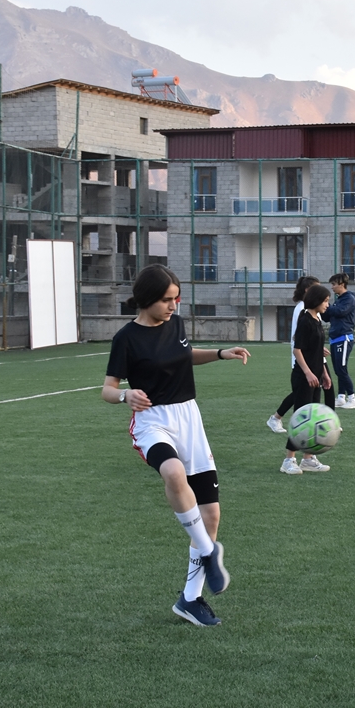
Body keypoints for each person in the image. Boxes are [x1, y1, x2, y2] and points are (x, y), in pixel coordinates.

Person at [102, 264, 251, 627]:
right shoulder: (126, 338)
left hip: (189, 420)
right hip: (153, 421)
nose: (173, 305)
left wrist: (219, 353)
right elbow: (107, 389)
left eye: (176, 298)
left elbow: (184, 354)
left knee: (211, 515)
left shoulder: (177, 324)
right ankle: (207, 550)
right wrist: (125, 396)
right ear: (147, 299)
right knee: (172, 471)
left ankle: (190, 599)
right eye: (167, 300)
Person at [267, 276, 333, 474]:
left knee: (312, 417)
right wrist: (308, 373)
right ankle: (288, 460)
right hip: (303, 376)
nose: (328, 305)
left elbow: (315, 348)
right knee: (302, 418)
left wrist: (324, 374)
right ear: (316, 300)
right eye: (326, 301)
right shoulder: (305, 320)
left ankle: (308, 458)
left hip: (315, 375)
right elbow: (298, 350)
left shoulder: (316, 319)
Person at [321, 272, 355, 409]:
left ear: (341, 285)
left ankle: (352, 398)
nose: (332, 287)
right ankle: (341, 397)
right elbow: (328, 317)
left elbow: (340, 312)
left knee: (341, 369)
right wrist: (321, 308)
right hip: (335, 338)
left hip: (344, 337)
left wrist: (329, 307)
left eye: (333, 284)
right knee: (338, 369)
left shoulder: (348, 298)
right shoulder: (339, 299)